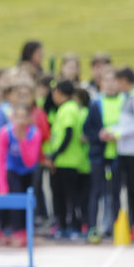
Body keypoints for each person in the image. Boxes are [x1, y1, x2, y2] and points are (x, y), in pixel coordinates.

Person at [105, 67, 134, 242]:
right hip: (124, 151)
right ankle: (131, 227)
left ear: (123, 80)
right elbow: (126, 123)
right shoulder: (129, 97)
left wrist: (119, 133)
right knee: (127, 192)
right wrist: (111, 131)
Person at [82, 67, 123, 242]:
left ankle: (116, 227)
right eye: (106, 81)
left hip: (117, 154)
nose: (110, 84)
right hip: (99, 154)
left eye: (113, 80)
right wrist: (99, 135)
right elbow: (87, 129)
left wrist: (116, 135)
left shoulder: (124, 101)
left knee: (115, 193)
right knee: (96, 191)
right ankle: (93, 227)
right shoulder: (95, 103)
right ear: (101, 83)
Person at [0, 104, 42, 247]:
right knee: (13, 197)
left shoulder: (34, 133)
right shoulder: (5, 132)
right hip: (12, 169)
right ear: (12, 117)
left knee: (28, 200)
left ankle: (26, 230)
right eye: (17, 117)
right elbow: (0, 160)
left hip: (29, 171)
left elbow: (30, 161)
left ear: (29, 118)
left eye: (24, 117)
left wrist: (22, 141)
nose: (20, 120)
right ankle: (13, 230)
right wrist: (1, 187)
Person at [48, 80, 87, 240]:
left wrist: (55, 155)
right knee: (66, 196)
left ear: (58, 92)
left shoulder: (68, 109)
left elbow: (68, 134)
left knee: (66, 197)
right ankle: (66, 225)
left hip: (66, 161)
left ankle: (70, 226)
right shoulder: (68, 108)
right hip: (67, 160)